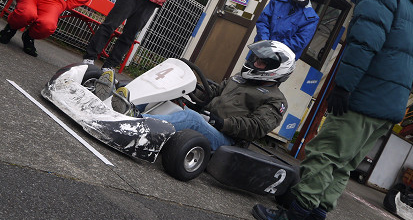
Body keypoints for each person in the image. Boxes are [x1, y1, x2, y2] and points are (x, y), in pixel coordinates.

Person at [252, 0, 413, 220]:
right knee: (344, 164)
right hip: (389, 106)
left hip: (365, 97)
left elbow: (364, 43)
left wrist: (343, 87)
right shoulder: (412, 8)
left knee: (324, 154)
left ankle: (292, 219)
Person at [99, 40, 295, 151]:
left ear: (275, 70)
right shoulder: (239, 79)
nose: (255, 64)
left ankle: (134, 122)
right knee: (165, 92)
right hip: (208, 120)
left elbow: (256, 127)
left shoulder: (276, 100)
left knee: (191, 118)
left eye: (261, 63)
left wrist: (222, 123)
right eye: (256, 59)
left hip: (226, 139)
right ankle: (113, 104)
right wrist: (186, 88)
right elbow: (213, 93)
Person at [255, 0, 319, 60]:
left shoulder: (311, 18)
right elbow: (263, 21)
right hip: (261, 49)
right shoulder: (277, 1)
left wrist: (275, 49)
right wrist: (265, 42)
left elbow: (300, 41)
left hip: (282, 59)